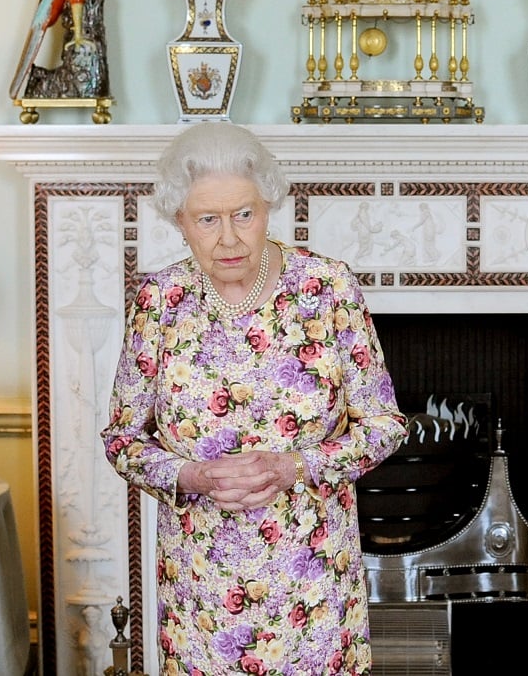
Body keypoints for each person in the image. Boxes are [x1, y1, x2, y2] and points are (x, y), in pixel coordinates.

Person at [101, 122, 408, 675]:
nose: (229, 238)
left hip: (314, 580)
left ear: (267, 205)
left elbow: (384, 424)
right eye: (207, 220)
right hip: (202, 589)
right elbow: (123, 439)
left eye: (244, 214)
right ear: (180, 222)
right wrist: (193, 477)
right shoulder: (160, 301)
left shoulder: (327, 288)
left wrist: (295, 465)